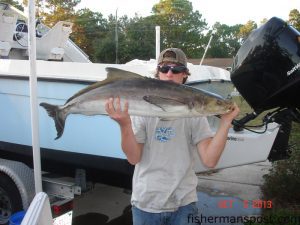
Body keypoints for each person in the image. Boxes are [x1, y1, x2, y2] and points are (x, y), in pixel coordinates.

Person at [105, 48, 240, 225]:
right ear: (158, 73)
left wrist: (225, 123)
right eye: (164, 68)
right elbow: (133, 158)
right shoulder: (142, 107)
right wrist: (125, 125)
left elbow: (210, 160)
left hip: (183, 204)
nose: (170, 74)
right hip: (146, 203)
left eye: (176, 70)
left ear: (184, 74)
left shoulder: (195, 115)